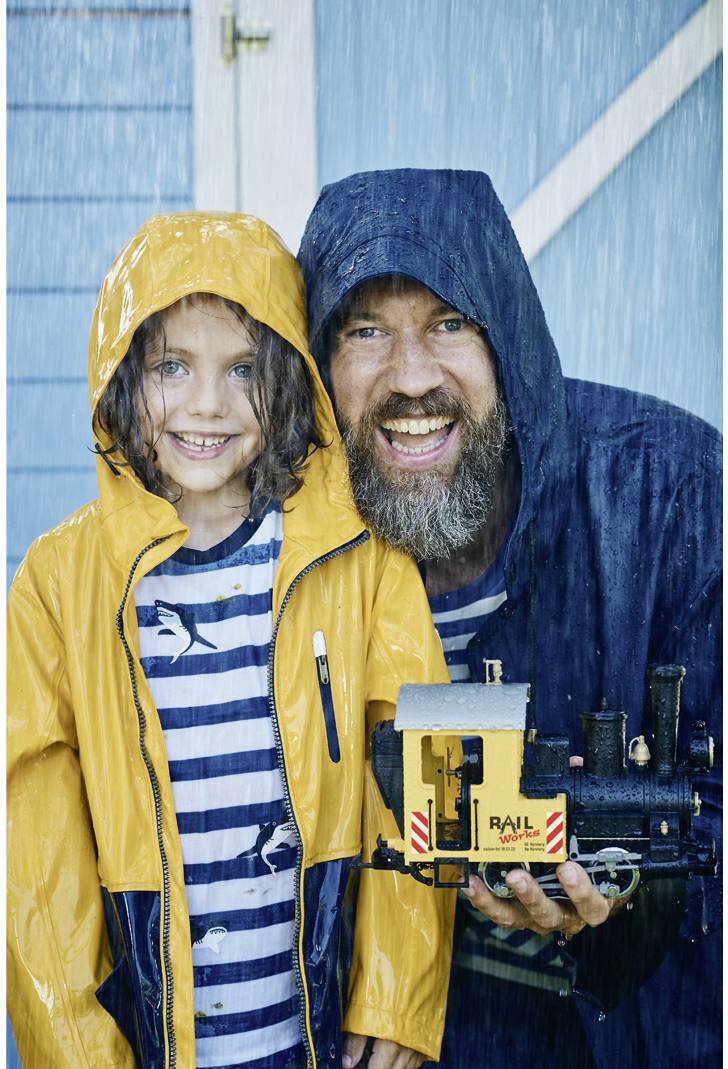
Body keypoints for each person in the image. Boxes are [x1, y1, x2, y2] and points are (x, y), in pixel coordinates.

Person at [7, 212, 456, 1069]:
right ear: (120, 378)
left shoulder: (359, 559)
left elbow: (417, 768)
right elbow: (33, 854)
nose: (206, 405)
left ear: (288, 380)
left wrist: (399, 992)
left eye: (242, 368)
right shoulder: (58, 585)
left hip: (320, 1041)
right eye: (171, 365)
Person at [298, 169, 721, 1068]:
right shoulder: (283, 547)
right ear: (315, 364)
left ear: (510, 340)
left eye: (451, 323)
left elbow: (713, 811)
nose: (413, 378)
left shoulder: (673, 492)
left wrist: (631, 902)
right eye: (367, 330)